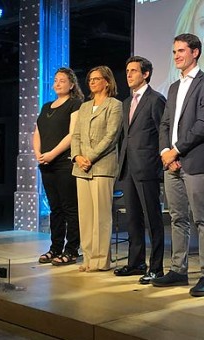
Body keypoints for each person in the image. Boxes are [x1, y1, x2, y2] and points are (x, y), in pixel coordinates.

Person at [152, 33, 204, 297]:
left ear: (195, 53)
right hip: (172, 163)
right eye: (174, 52)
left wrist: (176, 151)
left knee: (203, 220)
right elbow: (165, 124)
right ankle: (178, 270)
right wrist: (165, 152)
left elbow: (203, 126)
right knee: (178, 218)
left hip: (195, 161)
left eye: (181, 51)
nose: (177, 56)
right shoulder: (172, 87)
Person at [114, 56, 166, 284]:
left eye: (134, 71)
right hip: (128, 167)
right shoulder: (126, 102)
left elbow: (161, 134)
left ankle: (156, 267)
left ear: (145, 74)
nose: (129, 75)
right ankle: (135, 263)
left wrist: (158, 164)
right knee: (133, 219)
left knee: (152, 219)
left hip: (147, 168)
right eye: (127, 71)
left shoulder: (156, 100)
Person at [71, 65, 123, 272]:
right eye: (90, 79)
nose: (92, 82)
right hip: (81, 167)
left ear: (107, 82)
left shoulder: (115, 105)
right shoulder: (84, 107)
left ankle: (101, 260)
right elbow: (76, 135)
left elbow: (111, 136)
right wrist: (77, 156)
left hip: (102, 165)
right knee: (85, 216)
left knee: (101, 215)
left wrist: (89, 157)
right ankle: (88, 258)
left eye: (96, 79)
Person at [34, 67, 84, 266]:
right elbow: (37, 132)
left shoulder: (75, 104)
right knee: (55, 209)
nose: (57, 84)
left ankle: (71, 250)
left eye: (62, 80)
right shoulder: (46, 106)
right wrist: (38, 153)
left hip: (64, 162)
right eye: (55, 80)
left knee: (70, 208)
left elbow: (72, 135)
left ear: (72, 84)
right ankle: (55, 248)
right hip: (45, 164)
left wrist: (52, 154)